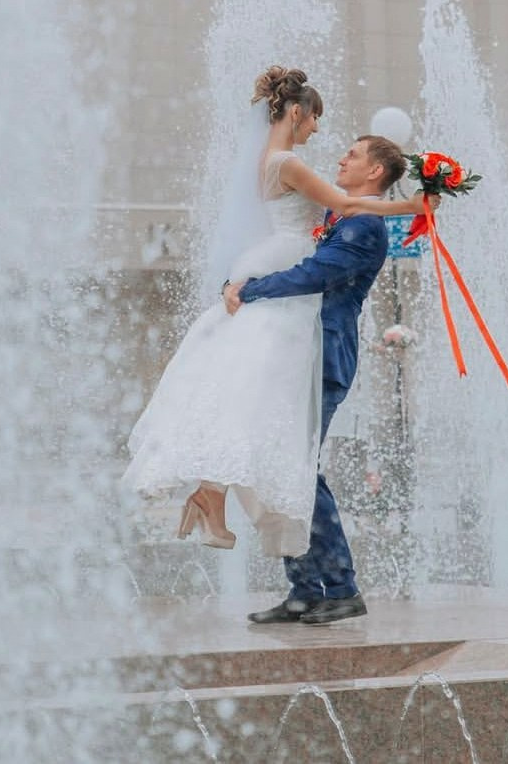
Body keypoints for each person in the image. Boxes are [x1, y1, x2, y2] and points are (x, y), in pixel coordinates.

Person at [122, 66, 422, 563]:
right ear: (298, 112)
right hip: (282, 273)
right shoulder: (289, 162)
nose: (321, 132)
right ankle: (222, 503)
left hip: (272, 264)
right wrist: (416, 205)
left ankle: (211, 495)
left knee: (243, 396)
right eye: (316, 119)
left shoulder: (267, 159)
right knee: (257, 404)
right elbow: (347, 206)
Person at [223, 133, 408, 625]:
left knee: (300, 468)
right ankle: (304, 589)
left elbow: (316, 274)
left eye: (353, 154)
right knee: (285, 464)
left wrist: (251, 288)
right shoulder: (342, 215)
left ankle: (341, 588)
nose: (342, 158)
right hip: (299, 352)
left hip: (323, 355)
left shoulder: (365, 224)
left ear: (375, 172)